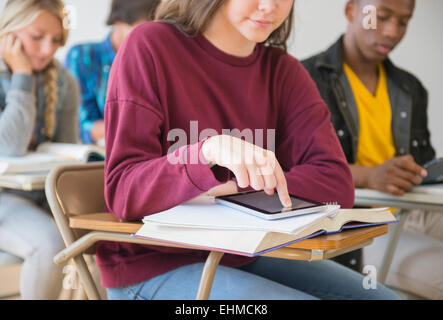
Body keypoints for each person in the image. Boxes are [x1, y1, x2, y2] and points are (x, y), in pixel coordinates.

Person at [100, 0, 400, 300]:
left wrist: (225, 185)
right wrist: (207, 153)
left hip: (243, 253)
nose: (270, 6)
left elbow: (336, 183)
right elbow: (123, 191)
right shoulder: (150, 46)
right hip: (149, 266)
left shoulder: (283, 71)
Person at [302, 0, 441, 272]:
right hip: (357, 225)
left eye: (403, 22)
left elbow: (426, 165)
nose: (392, 31)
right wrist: (370, 176)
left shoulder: (410, 88)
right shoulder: (304, 79)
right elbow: (297, 171)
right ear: (351, 10)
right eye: (383, 16)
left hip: (415, 208)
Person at [0, 0, 79, 299]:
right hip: (4, 198)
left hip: (42, 197)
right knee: (49, 242)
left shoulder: (62, 82)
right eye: (37, 37)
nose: (48, 49)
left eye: (56, 40)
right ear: (8, 32)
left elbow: (67, 159)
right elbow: (9, 146)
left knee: (108, 234)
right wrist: (21, 75)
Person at [65, 0, 161, 145]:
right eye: (142, 30)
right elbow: (78, 126)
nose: (149, 39)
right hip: (93, 156)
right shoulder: (83, 55)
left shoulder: (155, 63)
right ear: (118, 21)